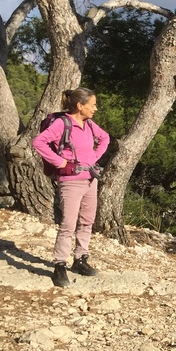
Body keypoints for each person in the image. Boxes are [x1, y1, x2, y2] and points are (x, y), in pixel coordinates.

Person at [32, 88, 110, 287]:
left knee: (87, 221)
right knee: (68, 224)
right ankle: (59, 266)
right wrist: (59, 162)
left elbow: (105, 138)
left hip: (90, 179)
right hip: (71, 182)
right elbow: (38, 142)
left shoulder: (89, 123)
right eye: (92, 104)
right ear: (80, 106)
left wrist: (93, 157)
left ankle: (80, 259)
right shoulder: (62, 123)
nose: (95, 108)